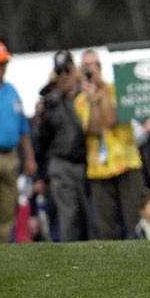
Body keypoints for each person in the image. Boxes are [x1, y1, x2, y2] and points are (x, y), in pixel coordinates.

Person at [74, 49, 148, 240]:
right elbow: (93, 128)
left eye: (95, 65)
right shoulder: (81, 101)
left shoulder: (116, 90)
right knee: (107, 225)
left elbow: (111, 119)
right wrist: (92, 99)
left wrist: (102, 89)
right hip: (99, 167)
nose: (92, 70)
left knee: (135, 219)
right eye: (87, 67)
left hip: (126, 161)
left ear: (101, 67)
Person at [37, 50, 92, 242]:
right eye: (59, 71)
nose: (64, 75)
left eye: (67, 69)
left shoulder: (86, 95)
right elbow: (42, 141)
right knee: (69, 218)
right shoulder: (51, 102)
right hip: (61, 163)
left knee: (91, 218)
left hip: (87, 164)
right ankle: (72, 263)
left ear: (75, 69)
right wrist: (42, 174)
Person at [0, 41, 39, 242]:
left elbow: (23, 128)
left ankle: (1, 253)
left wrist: (29, 157)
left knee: (7, 208)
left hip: (11, 157)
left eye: (4, 63)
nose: (3, 68)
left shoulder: (12, 90)